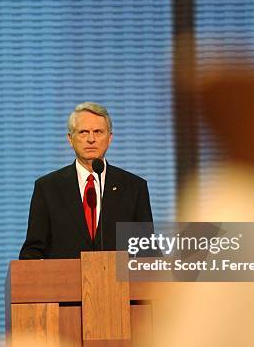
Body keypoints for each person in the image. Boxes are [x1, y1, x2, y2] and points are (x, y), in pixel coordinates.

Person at [19, 102, 153, 259]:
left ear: (110, 138)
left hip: (119, 282)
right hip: (65, 282)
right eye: (83, 132)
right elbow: (32, 252)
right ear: (70, 139)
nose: (91, 139)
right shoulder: (48, 188)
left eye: (98, 132)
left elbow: (146, 254)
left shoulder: (134, 187)